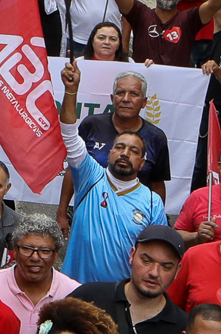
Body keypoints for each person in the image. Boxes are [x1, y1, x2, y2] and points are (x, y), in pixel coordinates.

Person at [57, 60, 163, 284]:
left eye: (134, 151)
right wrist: (70, 91)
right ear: (109, 152)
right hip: (76, 289)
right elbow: (68, 133)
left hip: (121, 299)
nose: (125, 153)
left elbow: (158, 249)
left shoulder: (153, 202)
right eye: (120, 147)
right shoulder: (91, 177)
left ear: (142, 163)